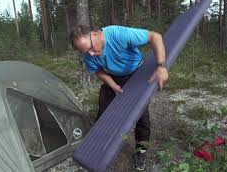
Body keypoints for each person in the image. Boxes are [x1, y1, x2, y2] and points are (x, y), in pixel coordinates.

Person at [70, 24, 168, 170]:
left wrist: (161, 66)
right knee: (104, 113)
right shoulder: (88, 54)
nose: (90, 54)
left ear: (95, 35)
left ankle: (140, 151)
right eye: (85, 52)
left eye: (90, 48)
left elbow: (156, 37)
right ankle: (98, 150)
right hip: (114, 78)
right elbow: (98, 71)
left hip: (137, 73)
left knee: (140, 113)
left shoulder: (118, 34)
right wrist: (112, 84)